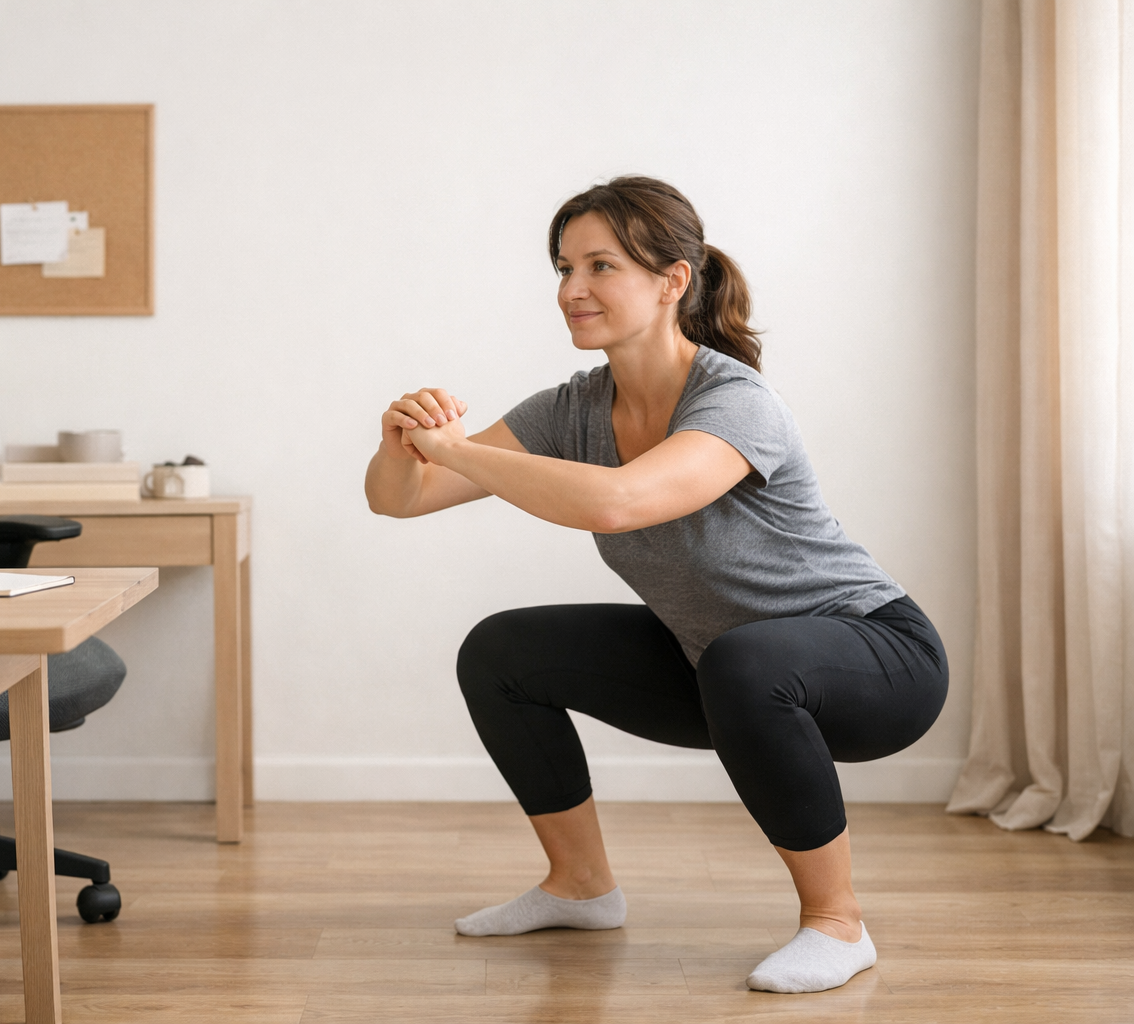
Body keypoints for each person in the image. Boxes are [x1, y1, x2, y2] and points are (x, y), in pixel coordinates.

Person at [363, 175, 947, 994]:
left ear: (673, 280)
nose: (572, 290)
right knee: (503, 650)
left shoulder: (735, 398)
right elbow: (403, 500)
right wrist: (404, 442)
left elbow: (620, 501)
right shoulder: (571, 410)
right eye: (563, 268)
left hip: (878, 658)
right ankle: (581, 887)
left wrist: (455, 449)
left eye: (600, 267)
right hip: (717, 663)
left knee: (749, 660)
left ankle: (838, 925)